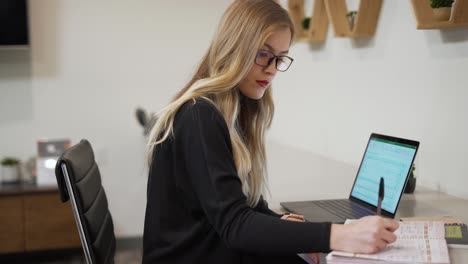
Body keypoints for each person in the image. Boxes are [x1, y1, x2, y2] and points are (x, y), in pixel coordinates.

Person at [143, 0, 399, 263]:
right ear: (235, 47)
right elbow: (235, 225)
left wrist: (281, 225)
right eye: (263, 54)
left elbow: (247, 205)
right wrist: (338, 235)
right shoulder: (200, 115)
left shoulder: (235, 107)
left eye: (280, 58)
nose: (273, 69)